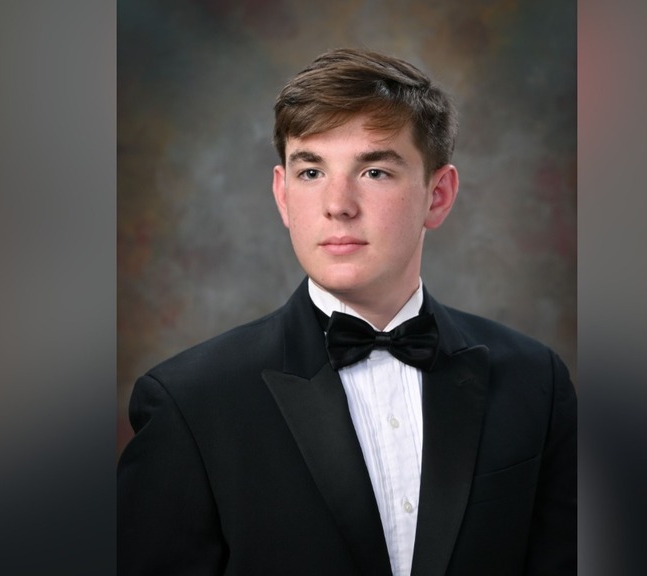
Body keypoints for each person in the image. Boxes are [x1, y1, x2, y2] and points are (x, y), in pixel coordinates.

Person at [117, 47, 576, 575]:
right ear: (283, 195)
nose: (337, 203)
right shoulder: (189, 404)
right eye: (311, 172)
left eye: (375, 171)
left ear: (439, 195)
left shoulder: (534, 383)